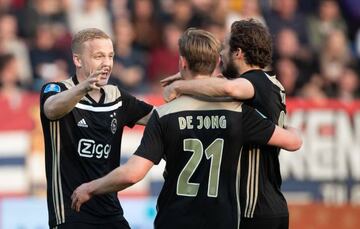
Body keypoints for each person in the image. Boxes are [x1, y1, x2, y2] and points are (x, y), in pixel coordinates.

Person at [70, 28, 302, 229]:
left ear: (182, 62)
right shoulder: (240, 114)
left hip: (175, 219)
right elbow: (292, 142)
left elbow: (132, 174)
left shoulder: (164, 115)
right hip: (224, 220)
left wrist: (91, 187)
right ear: (217, 64)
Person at [161, 19, 291, 229]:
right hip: (272, 203)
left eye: (225, 47)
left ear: (238, 52)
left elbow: (231, 89)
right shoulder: (272, 84)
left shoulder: (254, 82)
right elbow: (224, 84)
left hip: (252, 208)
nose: (221, 54)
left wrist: (182, 86)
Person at [40, 28, 153, 229]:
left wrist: (187, 91)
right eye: (98, 56)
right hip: (71, 215)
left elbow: (160, 119)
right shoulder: (57, 90)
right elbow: (50, 110)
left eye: (110, 56)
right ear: (78, 60)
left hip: (111, 214)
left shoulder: (116, 96)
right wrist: (84, 87)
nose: (107, 64)